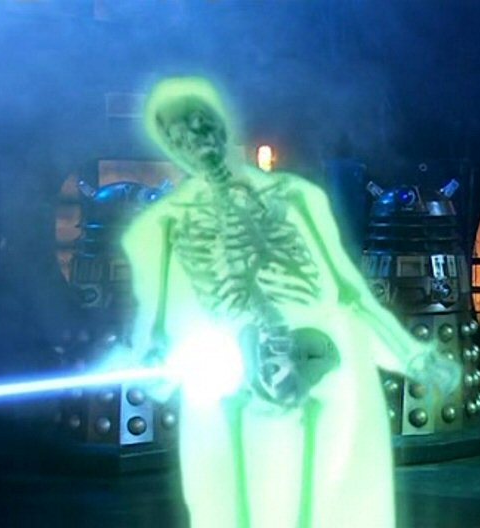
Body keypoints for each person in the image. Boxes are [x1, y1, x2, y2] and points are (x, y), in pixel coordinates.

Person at [120, 76, 458, 528]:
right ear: (169, 145)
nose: (194, 138)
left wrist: (412, 356)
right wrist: (155, 362)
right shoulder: (158, 226)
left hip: (319, 357)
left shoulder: (298, 198)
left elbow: (348, 290)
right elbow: (155, 324)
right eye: (178, 133)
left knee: (327, 495)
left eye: (200, 123)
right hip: (230, 371)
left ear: (220, 124)